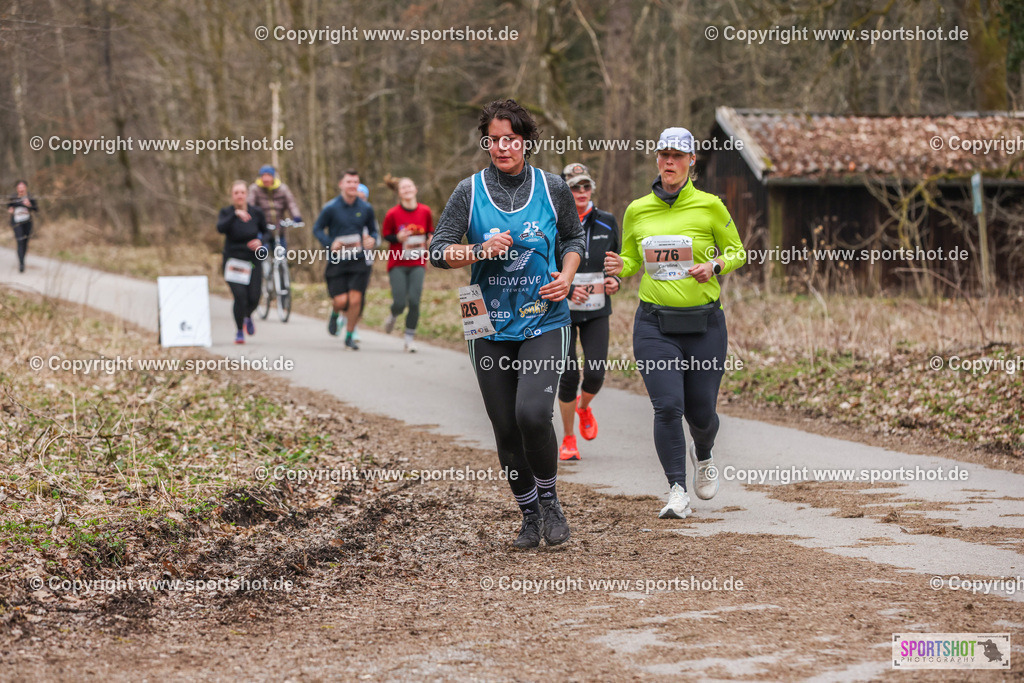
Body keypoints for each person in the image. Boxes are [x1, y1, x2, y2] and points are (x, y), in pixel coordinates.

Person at [430, 99, 585, 548]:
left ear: (525, 142)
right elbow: (438, 250)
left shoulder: (552, 187)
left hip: (544, 317)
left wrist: (567, 275)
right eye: (493, 140)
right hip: (485, 322)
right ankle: (529, 515)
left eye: (511, 139)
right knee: (505, 426)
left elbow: (573, 237)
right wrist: (478, 250)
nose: (501, 147)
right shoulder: (468, 191)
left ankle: (551, 502)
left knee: (531, 414)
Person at [604, 127, 746, 518]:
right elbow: (632, 260)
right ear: (657, 159)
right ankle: (677, 491)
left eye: (678, 156)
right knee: (667, 407)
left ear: (691, 161)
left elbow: (738, 252)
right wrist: (618, 267)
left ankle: (704, 452)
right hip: (655, 324)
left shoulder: (710, 206)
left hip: (705, 325)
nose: (670, 161)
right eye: (664, 154)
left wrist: (714, 265)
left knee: (701, 413)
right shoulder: (637, 210)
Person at [555, 163, 621, 461]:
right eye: (574, 187)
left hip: (596, 309)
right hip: (562, 310)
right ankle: (569, 438)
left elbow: (617, 260)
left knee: (595, 374)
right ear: (564, 191)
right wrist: (568, 289)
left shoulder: (607, 221)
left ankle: (583, 407)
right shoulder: (553, 222)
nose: (581, 192)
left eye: (586, 186)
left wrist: (616, 280)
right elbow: (544, 264)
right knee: (568, 376)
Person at [313, 169, 377, 350]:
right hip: (337, 261)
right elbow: (317, 229)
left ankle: (349, 335)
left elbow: (373, 231)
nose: (352, 185)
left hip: (359, 259)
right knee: (341, 301)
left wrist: (371, 239)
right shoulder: (331, 208)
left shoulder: (366, 208)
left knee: (355, 300)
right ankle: (335, 313)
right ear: (341, 184)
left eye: (356, 182)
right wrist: (330, 243)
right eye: (349, 182)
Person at [381, 175, 433, 352]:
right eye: (403, 188)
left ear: (415, 189)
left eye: (410, 186)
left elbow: (430, 231)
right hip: (398, 262)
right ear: (399, 193)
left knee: (415, 301)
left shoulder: (425, 211)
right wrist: (397, 237)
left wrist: (431, 238)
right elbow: (386, 235)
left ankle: (409, 339)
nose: (407, 190)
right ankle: (394, 314)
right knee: (399, 302)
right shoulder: (392, 214)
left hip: (418, 262)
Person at [217, 180, 268, 344]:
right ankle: (239, 330)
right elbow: (220, 228)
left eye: (242, 192)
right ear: (232, 195)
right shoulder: (226, 213)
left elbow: (267, 233)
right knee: (240, 297)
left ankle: (247, 316)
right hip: (233, 261)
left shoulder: (256, 212)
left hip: (253, 260)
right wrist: (235, 215)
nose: (239, 195)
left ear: (247, 194)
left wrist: (260, 242)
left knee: (254, 297)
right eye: (236, 193)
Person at [247, 165, 302, 248]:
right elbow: (250, 205)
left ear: (273, 177)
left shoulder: (283, 189)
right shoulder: (255, 189)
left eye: (268, 176)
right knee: (261, 252)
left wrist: (296, 216)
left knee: (281, 252)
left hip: (279, 229)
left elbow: (291, 204)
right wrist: (250, 219)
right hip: (262, 230)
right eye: (263, 176)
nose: (266, 179)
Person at [7, 180, 38, 273]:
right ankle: (21, 264)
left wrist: (29, 205)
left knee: (25, 242)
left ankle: (22, 258)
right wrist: (10, 209)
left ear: (26, 188)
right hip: (17, 223)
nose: (21, 189)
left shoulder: (30, 197)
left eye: (23, 187)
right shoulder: (13, 198)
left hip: (27, 223)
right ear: (17, 188)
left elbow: (36, 209)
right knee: (20, 241)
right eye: (19, 187)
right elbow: (9, 206)